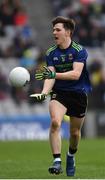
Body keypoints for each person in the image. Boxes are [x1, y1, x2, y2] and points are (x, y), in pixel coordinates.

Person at [30, 16, 92, 176]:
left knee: (75, 133)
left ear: (68, 32)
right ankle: (57, 161)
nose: (54, 32)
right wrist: (44, 93)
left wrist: (53, 73)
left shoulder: (79, 51)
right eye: (53, 30)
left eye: (58, 29)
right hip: (60, 94)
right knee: (55, 122)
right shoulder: (51, 52)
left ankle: (71, 155)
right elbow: (50, 76)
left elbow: (75, 75)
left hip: (78, 94)